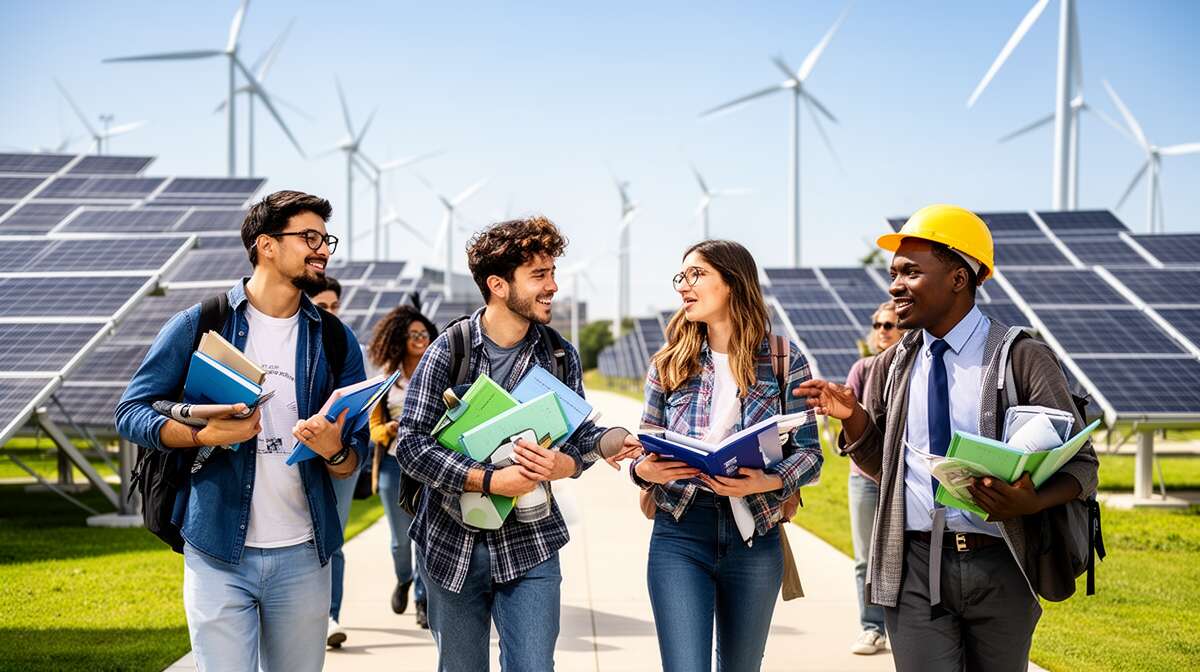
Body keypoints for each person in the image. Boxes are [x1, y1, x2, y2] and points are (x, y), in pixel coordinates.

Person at [797, 204, 1099, 672]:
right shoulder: (890, 365)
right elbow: (885, 467)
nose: (895, 285)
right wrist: (853, 417)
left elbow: (1083, 465)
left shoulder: (1021, 358)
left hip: (1003, 564)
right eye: (894, 272)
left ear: (959, 279)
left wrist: (1029, 503)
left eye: (911, 272)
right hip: (915, 565)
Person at [115, 190, 369, 671]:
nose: (323, 249)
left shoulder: (335, 340)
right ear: (266, 244)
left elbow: (357, 454)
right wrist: (199, 435)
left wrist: (336, 451)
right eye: (309, 237)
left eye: (326, 238)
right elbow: (131, 411)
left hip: (304, 554)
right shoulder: (200, 323)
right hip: (215, 550)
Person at [394, 215, 641, 671]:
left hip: (531, 543)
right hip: (452, 544)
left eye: (552, 273)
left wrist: (607, 442)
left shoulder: (559, 353)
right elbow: (410, 446)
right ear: (498, 285)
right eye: (539, 276)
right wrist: (489, 479)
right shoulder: (451, 350)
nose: (554, 287)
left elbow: (578, 437)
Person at [629, 239, 823, 672]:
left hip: (754, 534)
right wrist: (643, 470)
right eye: (681, 277)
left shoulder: (783, 360)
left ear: (733, 282)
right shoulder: (668, 363)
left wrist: (768, 481)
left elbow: (810, 454)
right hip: (680, 531)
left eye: (696, 274)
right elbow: (643, 454)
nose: (684, 286)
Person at [367, 304, 437, 629]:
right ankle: (403, 578)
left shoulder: (437, 375)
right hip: (393, 466)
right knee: (400, 539)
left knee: (423, 537)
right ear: (400, 339)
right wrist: (388, 430)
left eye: (425, 334)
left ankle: (423, 601)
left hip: (426, 467)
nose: (421, 339)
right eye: (414, 334)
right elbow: (374, 427)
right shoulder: (386, 381)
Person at [302, 274, 362, 648]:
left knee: (332, 540)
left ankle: (330, 615)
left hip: (336, 454)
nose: (330, 314)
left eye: (335, 307)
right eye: (323, 307)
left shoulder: (341, 342)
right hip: (295, 453)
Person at [843, 300, 903, 656]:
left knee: (907, 554)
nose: (883, 331)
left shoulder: (917, 368)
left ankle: (905, 627)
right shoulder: (862, 369)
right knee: (866, 557)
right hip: (864, 476)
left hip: (903, 476)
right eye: (879, 324)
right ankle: (871, 627)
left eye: (890, 325)